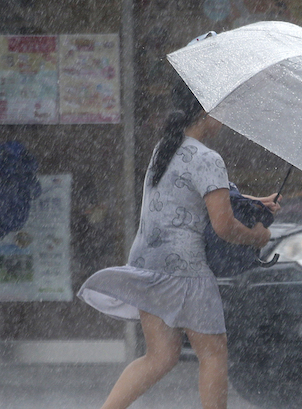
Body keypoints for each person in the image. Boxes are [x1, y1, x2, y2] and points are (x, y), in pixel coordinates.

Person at [77, 79, 279, 409]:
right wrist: (258, 236)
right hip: (185, 273)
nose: (223, 119)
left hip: (148, 266)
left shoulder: (166, 147)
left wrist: (258, 201)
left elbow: (198, 192)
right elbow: (225, 226)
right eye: (219, 110)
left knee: (160, 356)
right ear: (203, 112)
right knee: (214, 352)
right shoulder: (209, 158)